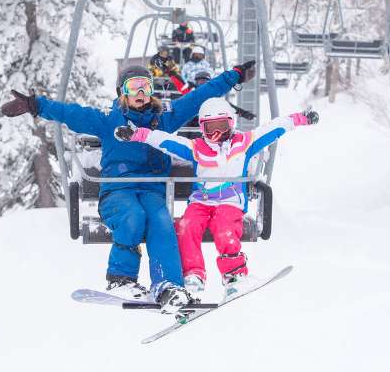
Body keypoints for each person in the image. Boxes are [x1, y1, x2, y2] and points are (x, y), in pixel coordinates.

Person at [0, 62, 257, 313]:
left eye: (146, 86)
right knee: (133, 217)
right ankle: (120, 279)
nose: (141, 94)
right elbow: (70, 113)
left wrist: (232, 77)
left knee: (162, 223)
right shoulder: (107, 120)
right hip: (117, 193)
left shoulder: (163, 120)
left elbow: (198, 97)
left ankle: (169, 286)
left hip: (153, 192)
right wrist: (35, 105)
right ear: (123, 92)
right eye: (134, 87)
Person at [114, 98, 318, 298]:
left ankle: (234, 275)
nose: (217, 134)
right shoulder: (197, 148)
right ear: (202, 128)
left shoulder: (245, 143)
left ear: (232, 123)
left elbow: (272, 129)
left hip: (230, 203)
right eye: (210, 128)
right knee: (187, 226)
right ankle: (193, 274)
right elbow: (166, 141)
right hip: (201, 202)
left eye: (222, 126)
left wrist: (300, 119)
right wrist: (138, 134)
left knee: (225, 228)